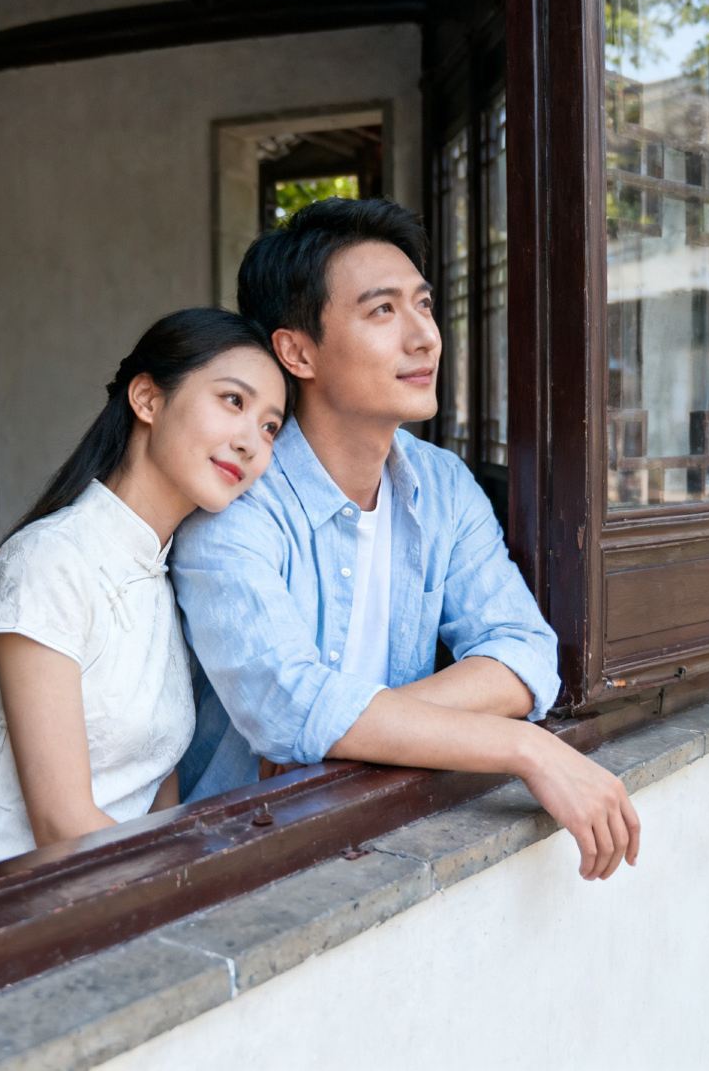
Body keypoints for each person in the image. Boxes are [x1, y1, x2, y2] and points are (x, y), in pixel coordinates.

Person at [172, 198, 641, 883]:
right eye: (382, 311)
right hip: (241, 862)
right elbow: (288, 709)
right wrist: (522, 747)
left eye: (422, 304)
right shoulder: (237, 504)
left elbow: (525, 651)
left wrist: (351, 728)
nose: (424, 336)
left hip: (380, 830)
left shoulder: (441, 483)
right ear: (297, 350)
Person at [0, 309, 289, 886]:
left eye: (270, 427)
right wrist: (195, 877)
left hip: (97, 899)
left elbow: (157, 790)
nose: (251, 443)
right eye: (233, 401)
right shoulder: (51, 561)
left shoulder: (166, 577)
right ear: (147, 399)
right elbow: (62, 826)